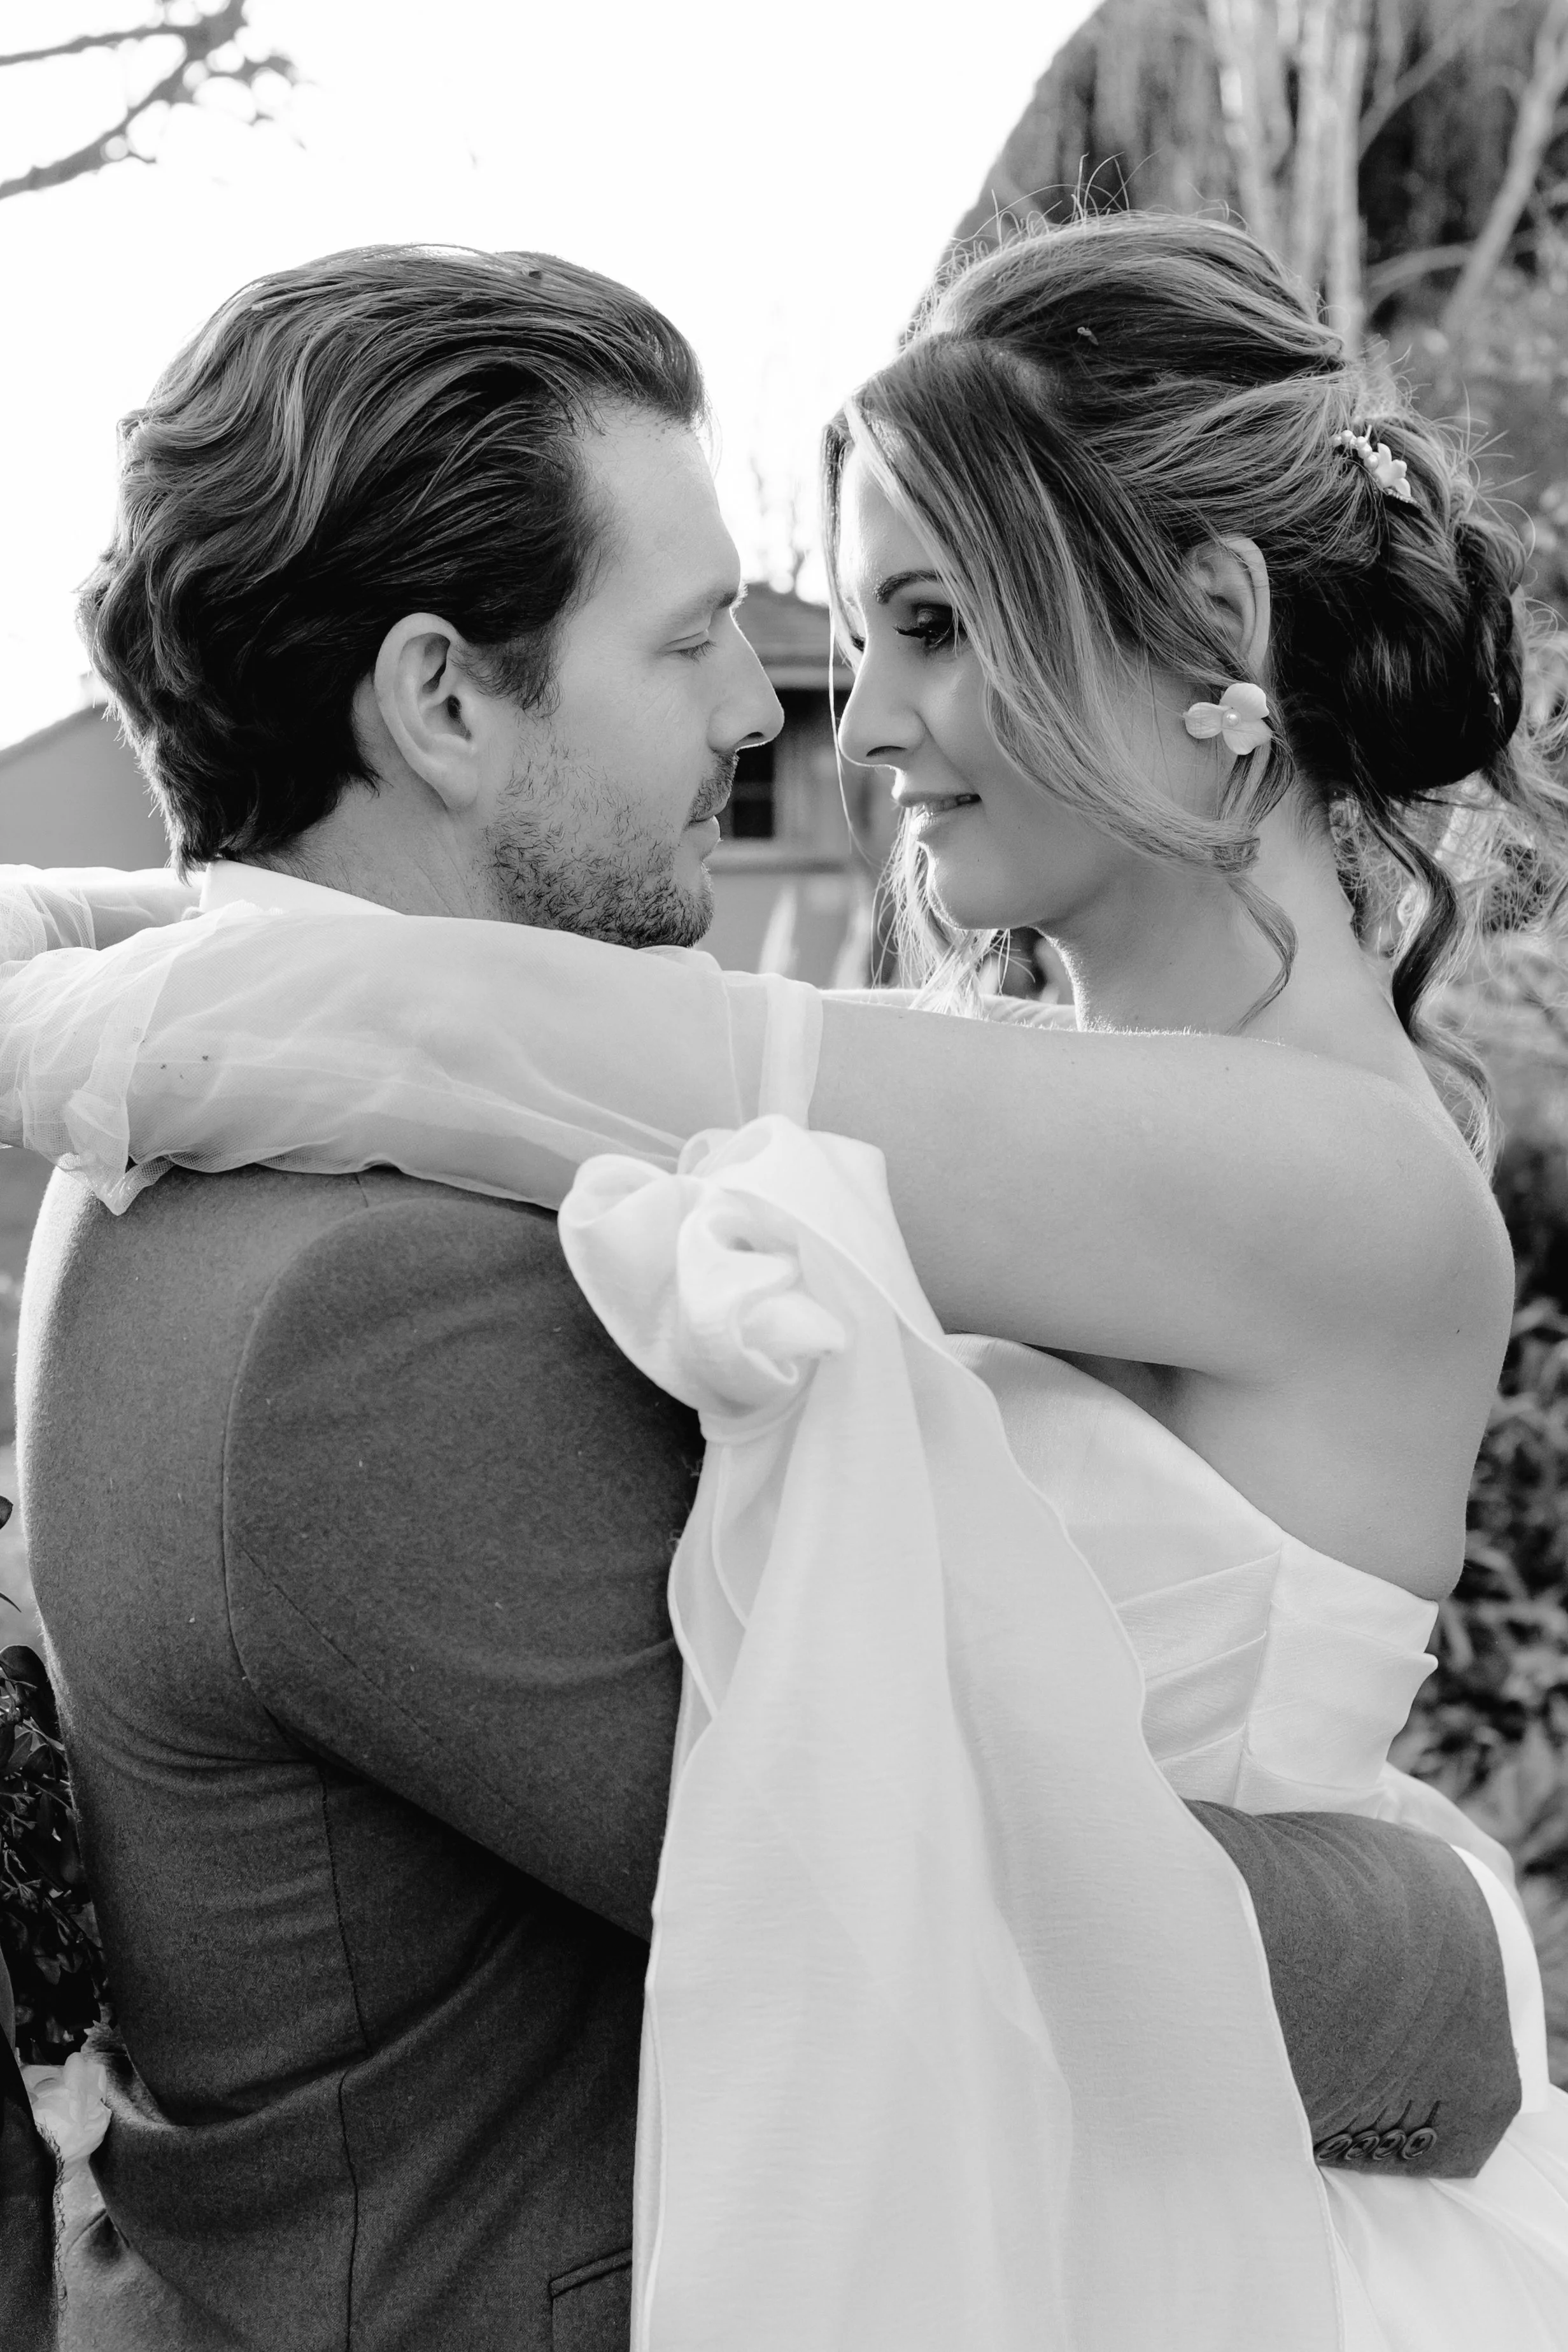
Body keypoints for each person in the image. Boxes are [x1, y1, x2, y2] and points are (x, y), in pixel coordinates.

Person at [0, 235, 1545, 2348]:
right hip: (1033, 2157)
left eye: (932, 622)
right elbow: (537, 1036)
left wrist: (77, 960)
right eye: (790, 627)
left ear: (1211, 628)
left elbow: (550, 1037)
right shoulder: (1007, 1098)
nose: (837, 715)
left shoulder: (1326, 1174)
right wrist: (121, 928)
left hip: (1207, 2199)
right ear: (441, 698)